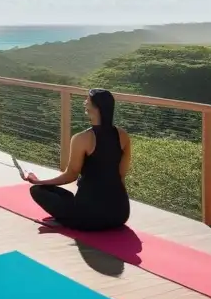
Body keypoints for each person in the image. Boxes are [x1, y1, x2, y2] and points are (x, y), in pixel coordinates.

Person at [20, 88, 131, 232]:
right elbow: (121, 175)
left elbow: (70, 175)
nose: (85, 103)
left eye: (88, 101)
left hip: (89, 218)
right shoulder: (123, 136)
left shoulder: (82, 139)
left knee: (37, 191)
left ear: (96, 107)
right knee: (67, 195)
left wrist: (38, 181)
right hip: (120, 214)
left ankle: (68, 217)